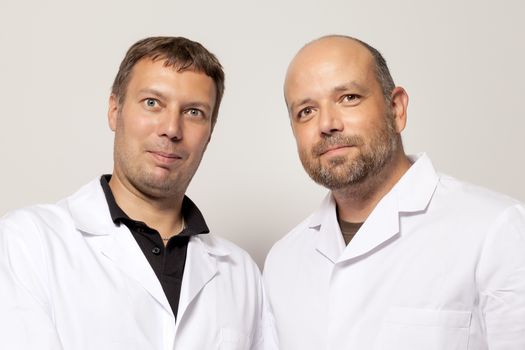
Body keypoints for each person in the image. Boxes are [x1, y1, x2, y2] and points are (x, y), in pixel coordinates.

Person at [0, 36, 276, 350]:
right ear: (114, 110)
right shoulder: (29, 242)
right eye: (152, 103)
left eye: (194, 112)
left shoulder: (240, 273)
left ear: (210, 132)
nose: (172, 128)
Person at [263, 35, 525, 350]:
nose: (327, 124)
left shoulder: (496, 230)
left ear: (396, 108)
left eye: (348, 97)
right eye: (306, 111)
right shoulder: (283, 261)